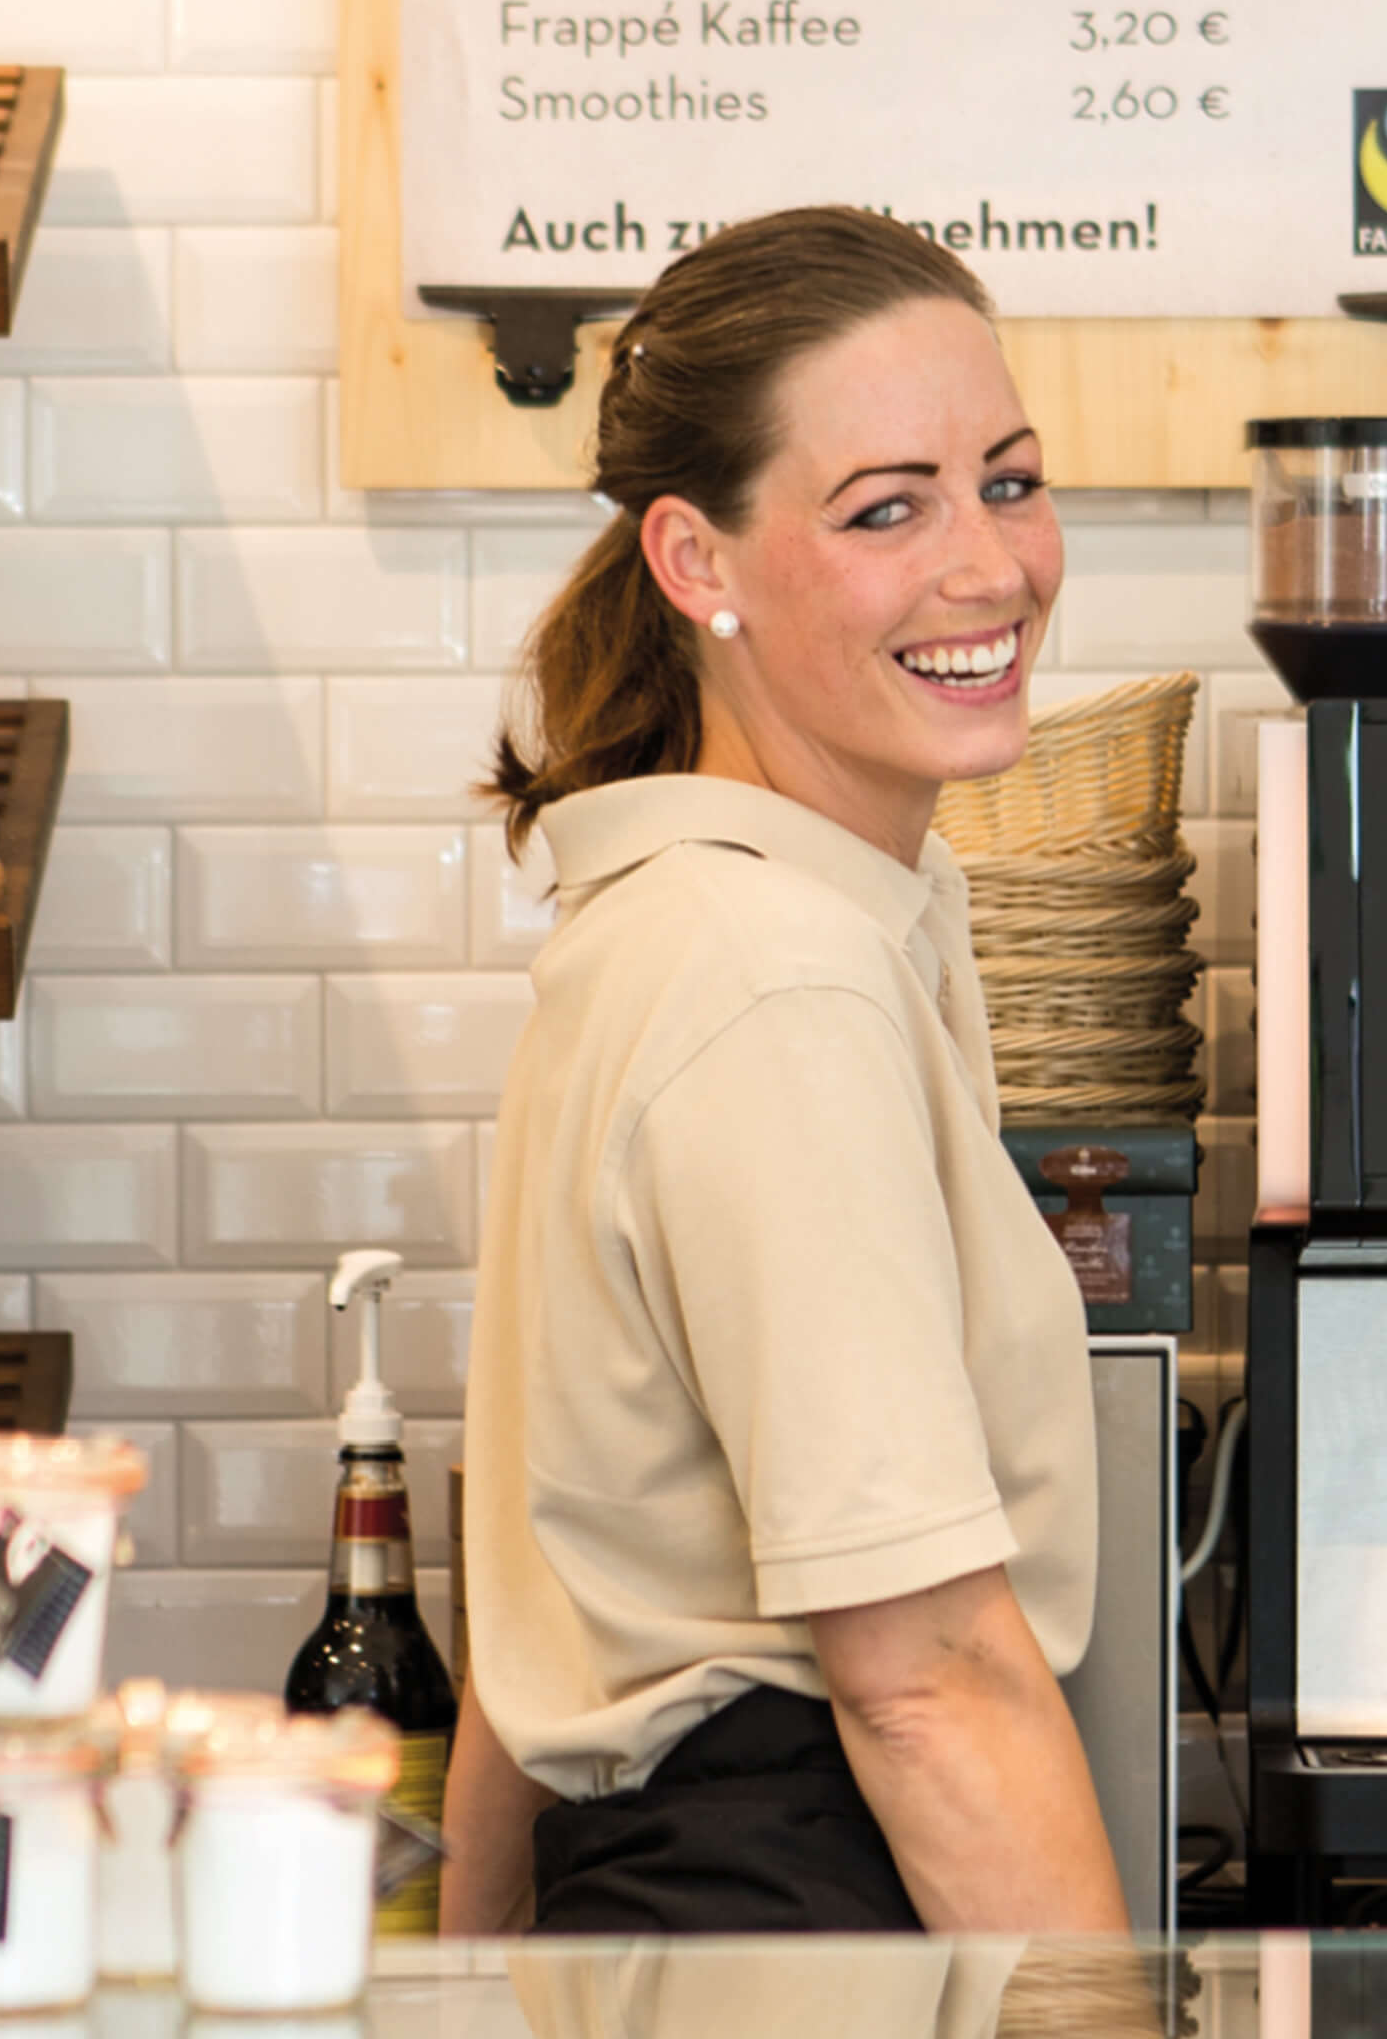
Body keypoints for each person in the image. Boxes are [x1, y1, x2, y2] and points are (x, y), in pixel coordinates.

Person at [441, 207, 1126, 1938]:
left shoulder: (689, 919)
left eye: (1010, 482)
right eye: (888, 509)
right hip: (790, 1928)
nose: (992, 568)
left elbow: (539, 1627)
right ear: (696, 560)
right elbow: (931, 1681)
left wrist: (473, 1980)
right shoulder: (772, 974)